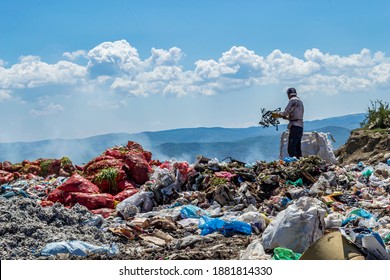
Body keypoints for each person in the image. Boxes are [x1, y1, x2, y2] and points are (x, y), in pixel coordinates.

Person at [273, 87, 304, 158]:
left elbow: (285, 112)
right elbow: (296, 116)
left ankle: (294, 163)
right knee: (297, 147)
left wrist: (277, 114)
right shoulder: (300, 101)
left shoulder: (292, 101)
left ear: (288, 94)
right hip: (300, 126)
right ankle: (300, 162)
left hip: (294, 126)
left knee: (291, 148)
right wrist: (288, 118)